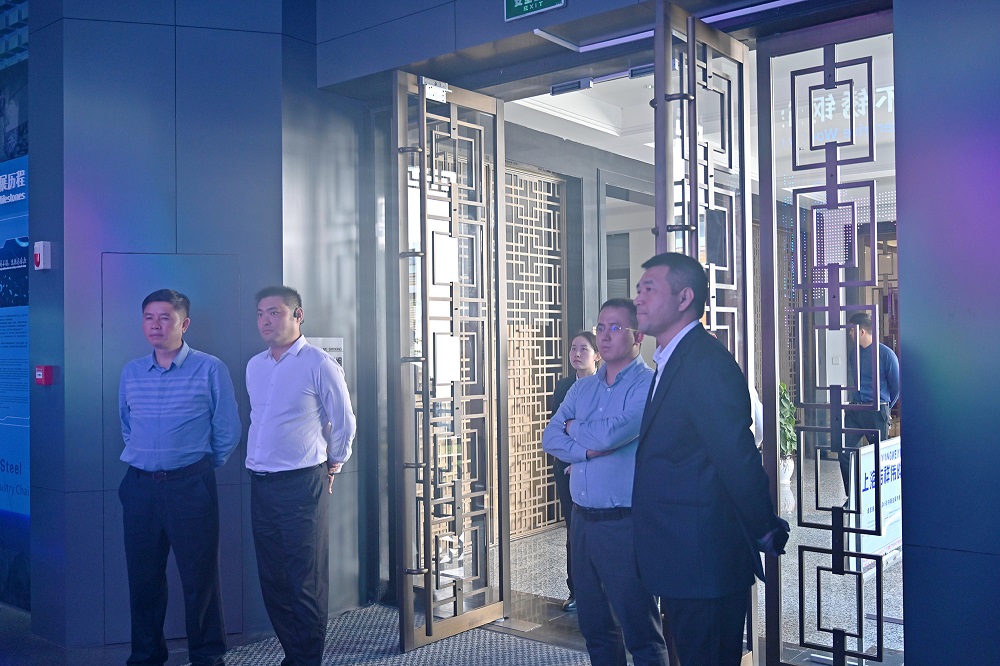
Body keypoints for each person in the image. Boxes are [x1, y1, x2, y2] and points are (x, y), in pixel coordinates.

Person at [631, 253, 789, 666]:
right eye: (638, 290)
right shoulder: (671, 360)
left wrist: (765, 526)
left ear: (684, 298)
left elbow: (737, 458)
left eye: (649, 289)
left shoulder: (705, 364)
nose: (638, 299)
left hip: (705, 562)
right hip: (681, 557)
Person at [118, 289, 240, 666]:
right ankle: (146, 656)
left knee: (200, 579)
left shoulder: (210, 368)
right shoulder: (132, 372)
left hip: (191, 486)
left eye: (165, 318)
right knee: (143, 579)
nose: (155, 325)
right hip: (139, 488)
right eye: (149, 318)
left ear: (184, 324)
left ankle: (207, 656)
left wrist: (196, 466)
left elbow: (228, 429)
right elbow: (127, 425)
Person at [544, 299, 669, 666]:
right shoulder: (582, 389)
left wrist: (574, 429)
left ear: (638, 336)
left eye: (616, 328)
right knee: (596, 628)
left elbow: (610, 435)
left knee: (640, 631)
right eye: (600, 327)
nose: (605, 335)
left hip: (625, 523)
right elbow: (550, 438)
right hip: (582, 520)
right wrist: (584, 451)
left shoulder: (649, 385)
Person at [246, 286, 357, 666]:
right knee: (273, 579)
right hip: (261, 483)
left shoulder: (319, 363)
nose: (266, 320)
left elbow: (344, 421)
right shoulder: (255, 365)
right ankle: (293, 655)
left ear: (298, 315)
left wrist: (334, 462)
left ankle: (306, 660)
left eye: (275, 312)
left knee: (304, 580)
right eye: (261, 313)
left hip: (301, 484)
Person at [548, 330, 601, 612]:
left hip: (598, 467)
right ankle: (576, 589)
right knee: (574, 529)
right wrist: (571, 459)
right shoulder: (564, 386)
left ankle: (602, 589)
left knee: (601, 530)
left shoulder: (606, 386)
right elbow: (556, 429)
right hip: (567, 468)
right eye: (573, 348)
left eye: (583, 349)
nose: (576, 354)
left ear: (597, 355)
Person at [840, 311, 900, 495]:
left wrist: (885, 409)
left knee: (879, 456)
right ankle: (853, 497)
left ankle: (880, 497)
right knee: (844, 451)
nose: (850, 334)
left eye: (852, 330)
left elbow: (896, 387)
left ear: (862, 331)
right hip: (855, 411)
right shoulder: (854, 353)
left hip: (877, 411)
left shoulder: (886, 354)